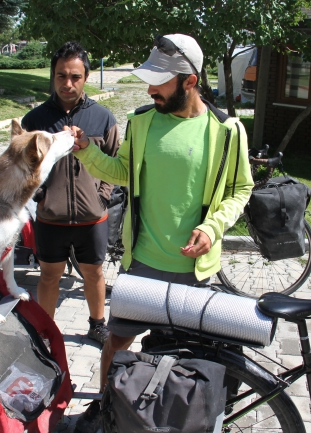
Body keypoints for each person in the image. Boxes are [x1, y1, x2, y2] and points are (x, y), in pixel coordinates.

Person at [70, 33, 253, 433]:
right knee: (116, 343)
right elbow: (122, 173)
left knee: (187, 358)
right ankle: (108, 412)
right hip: (143, 267)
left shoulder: (226, 131)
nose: (150, 88)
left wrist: (213, 226)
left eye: (160, 81)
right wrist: (86, 150)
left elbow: (242, 189)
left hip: (194, 274)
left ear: (190, 80)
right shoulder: (141, 123)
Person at [20, 41, 120, 345]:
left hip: (92, 216)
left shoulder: (103, 118)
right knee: (49, 276)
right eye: (61, 75)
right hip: (51, 218)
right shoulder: (34, 121)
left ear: (85, 77)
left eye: (75, 76)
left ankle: (97, 324)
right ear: (52, 76)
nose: (68, 83)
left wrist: (101, 197)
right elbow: (24, 168)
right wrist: (41, 198)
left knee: (94, 273)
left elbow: (116, 163)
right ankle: (45, 330)